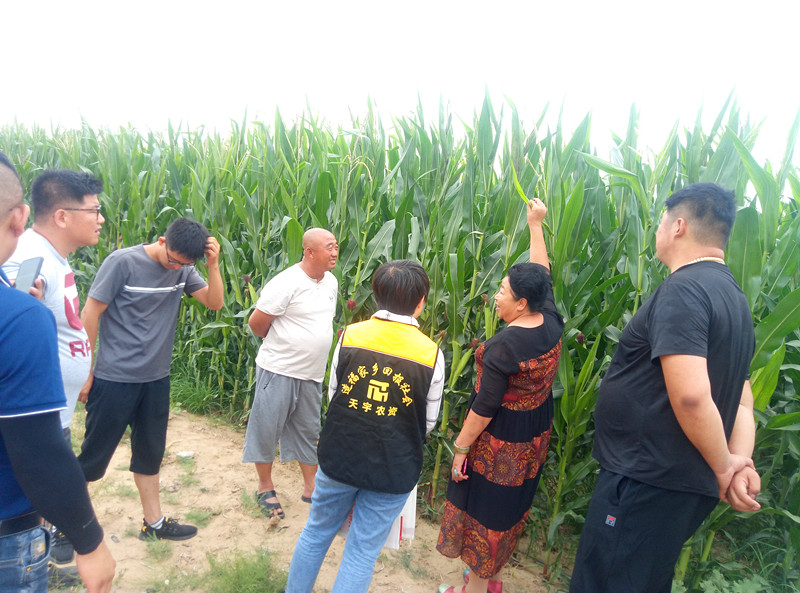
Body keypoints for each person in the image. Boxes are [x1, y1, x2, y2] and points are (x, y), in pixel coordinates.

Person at [569, 183, 760, 593]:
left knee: (605, 582)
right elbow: (744, 401)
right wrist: (739, 460)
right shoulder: (735, 300)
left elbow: (691, 395)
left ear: (678, 226)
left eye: (659, 223)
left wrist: (725, 466)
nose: (657, 231)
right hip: (673, 486)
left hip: (646, 480)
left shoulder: (685, 289)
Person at [285, 259, 445, 593]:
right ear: (421, 302)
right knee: (361, 552)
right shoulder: (431, 353)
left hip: (340, 455)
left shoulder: (351, 336)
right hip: (394, 465)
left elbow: (335, 396)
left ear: (375, 294)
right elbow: (427, 422)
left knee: (316, 533)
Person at [0, 151, 115, 593]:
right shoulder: (29, 255)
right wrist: (90, 540)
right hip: (33, 416)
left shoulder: (52, 255)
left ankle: (47, 552)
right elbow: (37, 453)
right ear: (61, 216)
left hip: (53, 404)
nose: (101, 219)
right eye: (94, 210)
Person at [437, 198, 563, 593]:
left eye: (503, 291)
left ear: (521, 303)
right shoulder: (550, 317)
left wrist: (460, 447)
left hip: (501, 441)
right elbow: (542, 272)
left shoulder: (503, 348)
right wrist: (535, 225)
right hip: (534, 431)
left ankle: (476, 588)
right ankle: (492, 581)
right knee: (510, 505)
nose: (496, 295)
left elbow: (485, 406)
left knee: (487, 512)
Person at [77, 217, 224, 541]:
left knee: (150, 453)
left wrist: (212, 266)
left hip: (156, 379)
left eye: (184, 265)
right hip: (115, 378)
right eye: (173, 261)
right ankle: (66, 526)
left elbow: (215, 303)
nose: (176, 269)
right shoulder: (122, 263)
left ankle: (153, 523)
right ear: (161, 241)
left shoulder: (183, 269)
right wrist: (86, 372)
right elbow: (90, 312)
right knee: (93, 456)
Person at [241, 228, 338, 518]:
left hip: (312, 374)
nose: (335, 252)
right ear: (310, 252)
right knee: (267, 428)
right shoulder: (286, 282)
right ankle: (265, 487)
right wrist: (284, 345)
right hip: (279, 369)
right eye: (329, 247)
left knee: (309, 431)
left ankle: (311, 487)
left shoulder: (331, 282)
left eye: (336, 246)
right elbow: (256, 324)